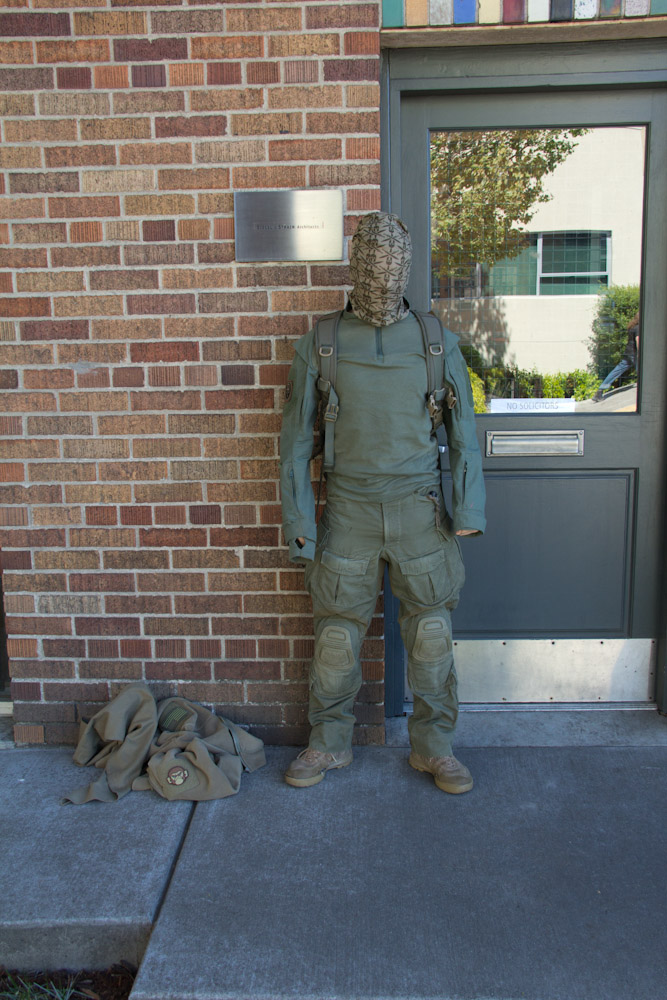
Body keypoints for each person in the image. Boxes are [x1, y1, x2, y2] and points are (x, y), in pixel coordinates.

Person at [279, 212, 486, 794]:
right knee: (336, 638)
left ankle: (435, 748)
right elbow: (294, 445)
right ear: (356, 266)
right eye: (371, 264)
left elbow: (464, 435)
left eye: (393, 266)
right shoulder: (321, 342)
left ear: (406, 268)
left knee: (431, 635)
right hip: (348, 509)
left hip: (419, 508)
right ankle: (328, 741)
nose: (382, 276)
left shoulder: (434, 341)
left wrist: (469, 510)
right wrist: (299, 522)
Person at [593, 310, 640, 401]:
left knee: (616, 371)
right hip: (634, 354)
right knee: (642, 372)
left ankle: (600, 390)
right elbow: (638, 340)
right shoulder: (638, 328)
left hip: (628, 352)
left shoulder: (632, 327)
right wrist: (640, 354)